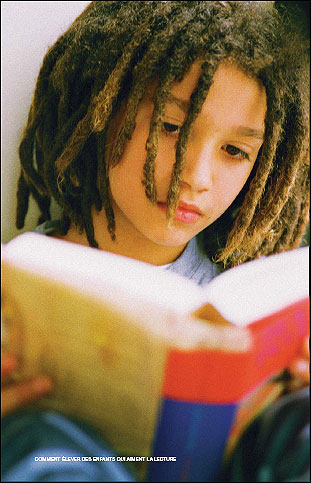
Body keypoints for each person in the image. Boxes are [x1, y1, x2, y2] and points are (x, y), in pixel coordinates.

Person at [2, 1, 309, 481]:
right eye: (171, 127)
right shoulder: (14, 286)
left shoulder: (240, 306)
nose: (197, 177)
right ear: (100, 108)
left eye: (234, 151)